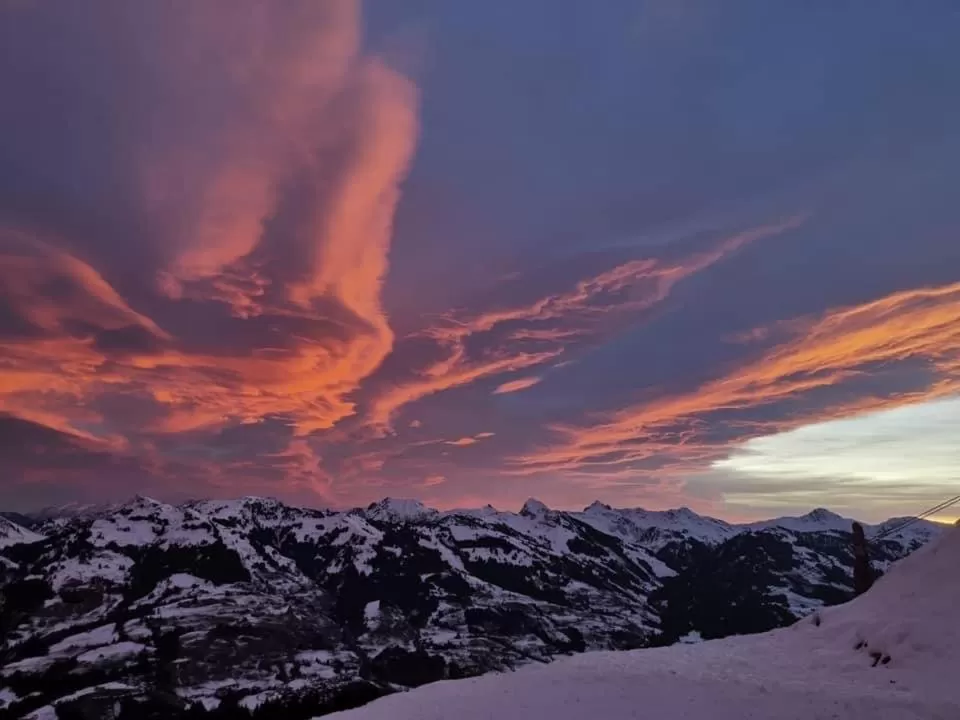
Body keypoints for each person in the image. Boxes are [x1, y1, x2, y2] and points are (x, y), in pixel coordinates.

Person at [851, 521, 874, 596]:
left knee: (860, 572)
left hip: (860, 556)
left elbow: (857, 544)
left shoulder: (855, 535)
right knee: (863, 569)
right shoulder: (860, 534)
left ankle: (861, 589)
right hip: (862, 556)